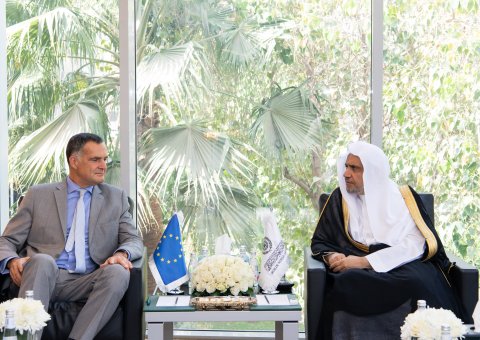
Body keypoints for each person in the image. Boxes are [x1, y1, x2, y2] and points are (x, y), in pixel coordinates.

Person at [311, 141, 469, 339]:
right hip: (354, 265)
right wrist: (333, 256)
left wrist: (364, 262)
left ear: (372, 172)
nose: (346, 174)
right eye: (346, 166)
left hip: (402, 261)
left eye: (354, 168)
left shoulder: (404, 198)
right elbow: (322, 239)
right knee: (346, 282)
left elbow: (416, 243)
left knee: (418, 282)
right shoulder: (339, 199)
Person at [0, 133, 144, 340]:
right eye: (95, 159)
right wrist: (12, 260)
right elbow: (6, 240)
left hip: (87, 280)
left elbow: (133, 239)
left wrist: (122, 254)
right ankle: (29, 337)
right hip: (44, 275)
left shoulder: (116, 198)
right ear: (74, 161)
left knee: (118, 272)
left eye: (105, 159)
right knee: (41, 260)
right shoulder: (38, 195)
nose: (103, 165)